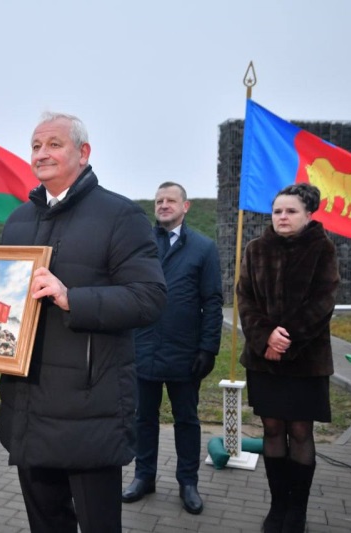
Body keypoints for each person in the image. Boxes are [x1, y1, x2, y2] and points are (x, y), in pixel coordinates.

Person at [0, 112, 167, 533]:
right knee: (46, 523)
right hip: (26, 404)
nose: (41, 153)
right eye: (36, 146)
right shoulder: (18, 220)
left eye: (54, 144)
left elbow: (149, 298)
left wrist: (71, 297)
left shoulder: (120, 215)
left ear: (83, 152)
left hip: (89, 408)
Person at [236, 183, 339, 533]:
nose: (282, 216)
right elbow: (245, 299)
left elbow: (323, 301)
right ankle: (277, 506)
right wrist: (265, 336)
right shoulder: (255, 248)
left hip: (306, 360)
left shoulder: (322, 249)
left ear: (308, 214)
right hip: (263, 359)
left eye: (291, 211)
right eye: (277, 211)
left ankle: (297, 510)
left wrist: (286, 340)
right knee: (272, 428)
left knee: (300, 430)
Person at [122, 182, 223, 514]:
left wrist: (208, 349)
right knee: (143, 418)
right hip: (143, 347)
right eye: (159, 201)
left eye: (170, 200)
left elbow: (212, 301)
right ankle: (144, 476)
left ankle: (188, 482)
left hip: (185, 353)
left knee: (187, 420)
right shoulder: (141, 245)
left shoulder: (203, 248)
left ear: (185, 206)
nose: (164, 205)